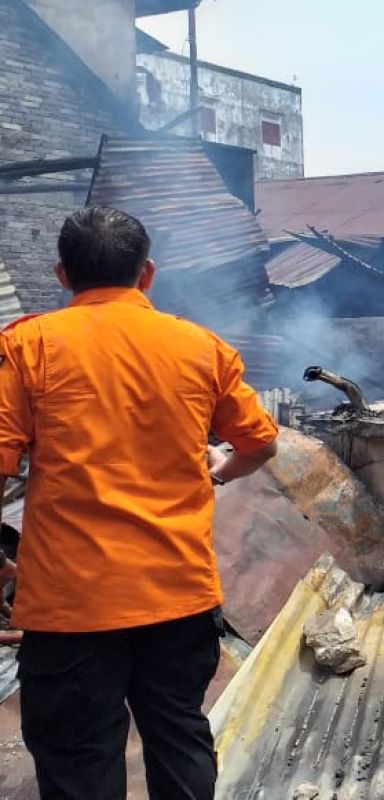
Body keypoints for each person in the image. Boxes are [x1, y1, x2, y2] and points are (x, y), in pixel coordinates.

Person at [0, 206, 280, 799]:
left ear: (60, 274)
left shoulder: (28, 347)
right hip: (178, 598)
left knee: (80, 761)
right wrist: (221, 469)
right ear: (146, 274)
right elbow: (260, 443)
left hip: (70, 608)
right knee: (180, 740)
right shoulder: (200, 348)